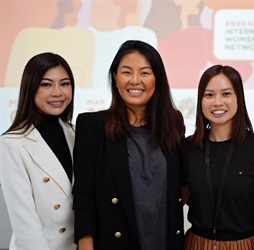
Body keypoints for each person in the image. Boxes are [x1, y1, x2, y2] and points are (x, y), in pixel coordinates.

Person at [72, 40, 185, 249]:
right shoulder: (92, 126)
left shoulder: (173, 122)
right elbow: (84, 196)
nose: (135, 81)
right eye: (126, 72)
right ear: (115, 77)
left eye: (144, 73)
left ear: (157, 79)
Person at [180, 64, 254, 249]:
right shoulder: (187, 148)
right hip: (196, 244)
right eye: (209, 95)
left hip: (243, 244)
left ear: (239, 98)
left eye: (226, 94)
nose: (217, 102)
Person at [0, 52, 76, 249]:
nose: (57, 93)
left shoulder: (76, 134)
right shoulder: (12, 143)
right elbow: (25, 225)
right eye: (46, 84)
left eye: (65, 84)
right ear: (30, 87)